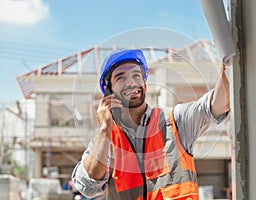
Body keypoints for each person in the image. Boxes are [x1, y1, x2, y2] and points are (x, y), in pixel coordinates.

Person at [72, 49, 230, 200]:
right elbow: (87, 185)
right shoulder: (106, 141)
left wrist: (228, 62)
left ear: (145, 85)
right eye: (121, 77)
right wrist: (105, 129)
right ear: (109, 92)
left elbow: (218, 104)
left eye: (136, 75)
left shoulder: (176, 121)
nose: (132, 82)